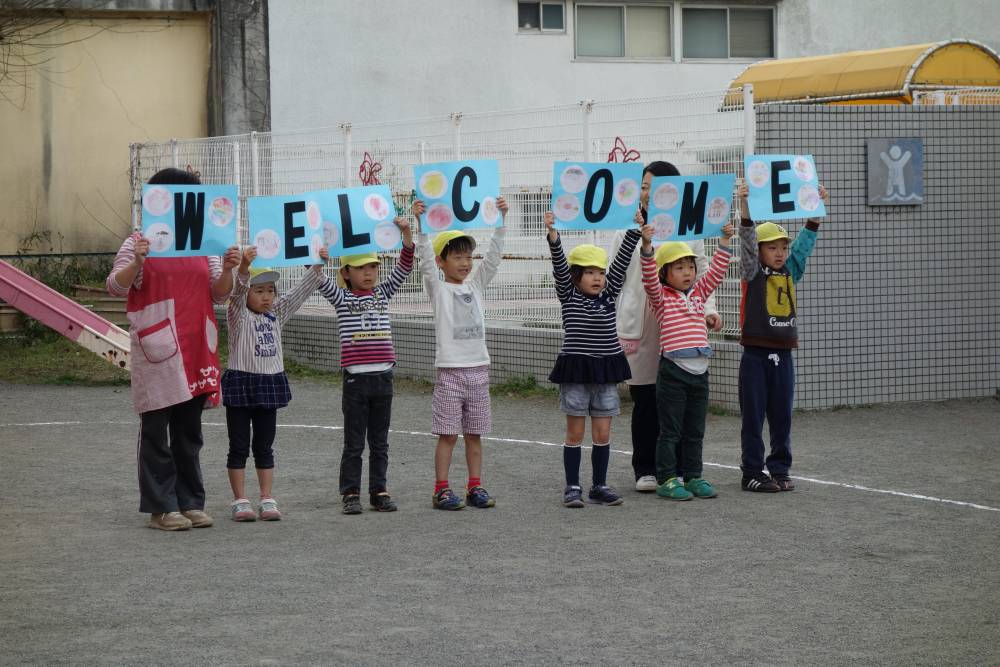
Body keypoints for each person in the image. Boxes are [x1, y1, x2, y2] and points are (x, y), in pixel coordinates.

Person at [106, 167, 240, 531]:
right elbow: (115, 287)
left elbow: (220, 292)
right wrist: (137, 261)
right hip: (157, 348)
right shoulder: (140, 240)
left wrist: (229, 268)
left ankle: (190, 501)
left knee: (188, 430)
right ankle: (161, 507)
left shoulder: (206, 242)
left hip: (196, 344)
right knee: (156, 428)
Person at [613, 161, 722, 493]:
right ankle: (645, 468)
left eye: (657, 187)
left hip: (681, 322)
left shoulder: (690, 223)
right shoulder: (627, 224)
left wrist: (709, 308)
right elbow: (614, 270)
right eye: (645, 186)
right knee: (645, 395)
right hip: (644, 319)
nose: (649, 193)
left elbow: (703, 271)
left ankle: (678, 470)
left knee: (679, 402)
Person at [412, 197, 508, 511]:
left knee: (475, 434)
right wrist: (421, 228)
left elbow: (492, 260)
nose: (466, 262)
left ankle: (475, 486)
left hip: (479, 370)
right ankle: (441, 489)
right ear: (442, 261)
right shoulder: (438, 290)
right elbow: (424, 261)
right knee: (448, 434)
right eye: (457, 257)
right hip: (450, 372)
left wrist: (501, 221)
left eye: (468, 256)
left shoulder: (476, 286)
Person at [316, 218, 414, 514]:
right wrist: (316, 257)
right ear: (346, 272)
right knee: (354, 442)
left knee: (380, 441)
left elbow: (405, 266)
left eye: (372, 267)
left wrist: (407, 233)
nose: (369, 273)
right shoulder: (342, 298)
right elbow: (317, 279)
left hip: (384, 377)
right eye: (360, 268)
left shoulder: (382, 294)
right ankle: (350, 493)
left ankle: (379, 490)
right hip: (355, 382)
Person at [543, 210, 641, 508]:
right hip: (576, 370)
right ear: (577, 276)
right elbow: (560, 267)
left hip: (606, 370)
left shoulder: (609, 295)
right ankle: (572, 486)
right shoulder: (569, 295)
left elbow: (622, 261)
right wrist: (553, 236)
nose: (597, 277)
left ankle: (599, 485)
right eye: (589, 272)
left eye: (600, 272)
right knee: (575, 432)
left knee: (602, 432)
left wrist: (635, 229)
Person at [736, 183, 829, 492]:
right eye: (771, 247)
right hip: (755, 356)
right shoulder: (752, 272)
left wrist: (815, 211)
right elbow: (747, 240)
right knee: (753, 417)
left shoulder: (790, 270)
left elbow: (804, 244)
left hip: (784, 355)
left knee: (782, 416)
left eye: (782, 247)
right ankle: (752, 470)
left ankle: (779, 468)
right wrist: (745, 206)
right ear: (760, 251)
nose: (779, 253)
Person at [223, 247, 327, 521]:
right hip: (241, 382)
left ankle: (267, 498)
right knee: (238, 445)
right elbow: (234, 296)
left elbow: (300, 293)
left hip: (269, 383)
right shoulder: (238, 316)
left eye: (270, 290)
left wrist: (317, 265)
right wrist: (243, 268)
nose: (266, 296)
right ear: (247, 293)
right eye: (259, 290)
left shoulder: (276, 314)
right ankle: (240, 500)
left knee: (264, 445)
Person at [639, 219, 734, 501]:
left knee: (695, 430)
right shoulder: (660, 297)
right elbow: (647, 276)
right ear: (665, 273)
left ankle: (693, 476)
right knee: (671, 431)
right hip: (673, 371)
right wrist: (646, 246)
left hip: (700, 371)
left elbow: (715, 273)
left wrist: (725, 242)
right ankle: (667, 478)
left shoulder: (699, 295)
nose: (687, 272)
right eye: (679, 267)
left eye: (690, 267)